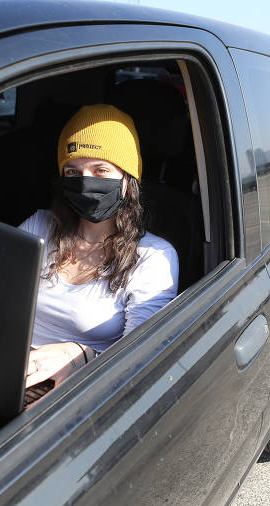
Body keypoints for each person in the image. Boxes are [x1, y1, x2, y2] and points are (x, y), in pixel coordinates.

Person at [20, 104, 178, 389]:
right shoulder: (40, 226)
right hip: (13, 366)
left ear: (128, 180)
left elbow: (139, 360)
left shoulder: (154, 258)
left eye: (100, 169)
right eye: (72, 171)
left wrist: (82, 354)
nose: (85, 182)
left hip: (85, 388)